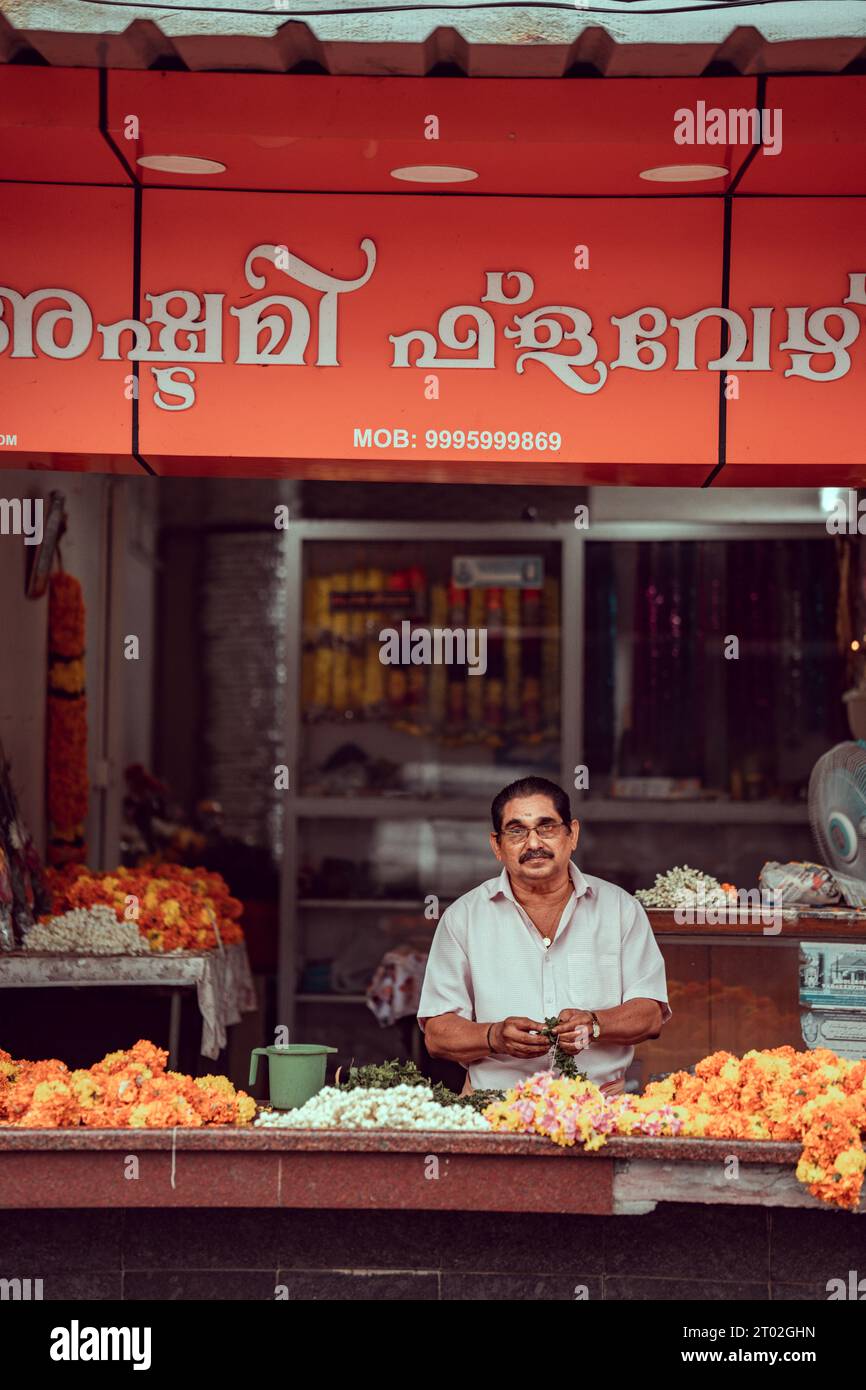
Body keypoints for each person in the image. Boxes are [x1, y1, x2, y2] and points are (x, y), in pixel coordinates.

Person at [418, 776, 670, 1094]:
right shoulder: (463, 918)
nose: (534, 843)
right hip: (494, 1109)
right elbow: (437, 1035)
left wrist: (594, 1024)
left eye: (546, 827)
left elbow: (649, 1015)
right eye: (517, 831)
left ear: (572, 834)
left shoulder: (620, 909)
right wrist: (493, 1036)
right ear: (497, 845)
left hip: (601, 1113)